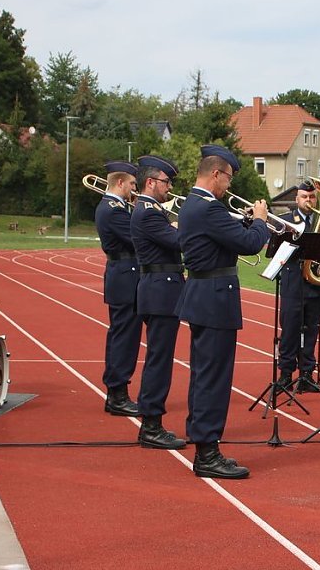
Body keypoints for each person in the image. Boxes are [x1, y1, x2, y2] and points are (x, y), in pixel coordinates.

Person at [175, 144, 269, 479]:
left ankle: (203, 441)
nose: (229, 186)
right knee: (213, 378)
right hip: (214, 298)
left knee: (203, 374)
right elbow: (250, 244)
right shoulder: (209, 209)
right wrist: (259, 220)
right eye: (227, 178)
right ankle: (207, 452)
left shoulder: (193, 205)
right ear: (215, 173)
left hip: (204, 296)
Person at [130, 154, 186, 450]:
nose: (169, 187)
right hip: (161, 291)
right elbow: (178, 242)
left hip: (161, 290)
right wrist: (188, 222)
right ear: (150, 182)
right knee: (159, 361)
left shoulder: (149, 210)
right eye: (166, 181)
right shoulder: (149, 212)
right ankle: (151, 425)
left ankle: (151, 421)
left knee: (158, 359)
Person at [95, 161, 142, 417]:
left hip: (123, 276)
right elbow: (137, 238)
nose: (135, 189)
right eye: (133, 184)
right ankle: (117, 394)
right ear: (120, 183)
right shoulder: (113, 210)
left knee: (122, 336)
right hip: (125, 277)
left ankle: (117, 392)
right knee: (124, 338)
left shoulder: (117, 207)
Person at [277, 181, 320, 393]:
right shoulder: (287, 220)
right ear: (297, 199)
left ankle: (307, 373)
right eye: (304, 197)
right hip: (294, 283)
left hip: (315, 285)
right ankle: (286, 374)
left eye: (312, 197)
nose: (309, 200)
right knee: (289, 330)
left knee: (311, 330)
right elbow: (277, 248)